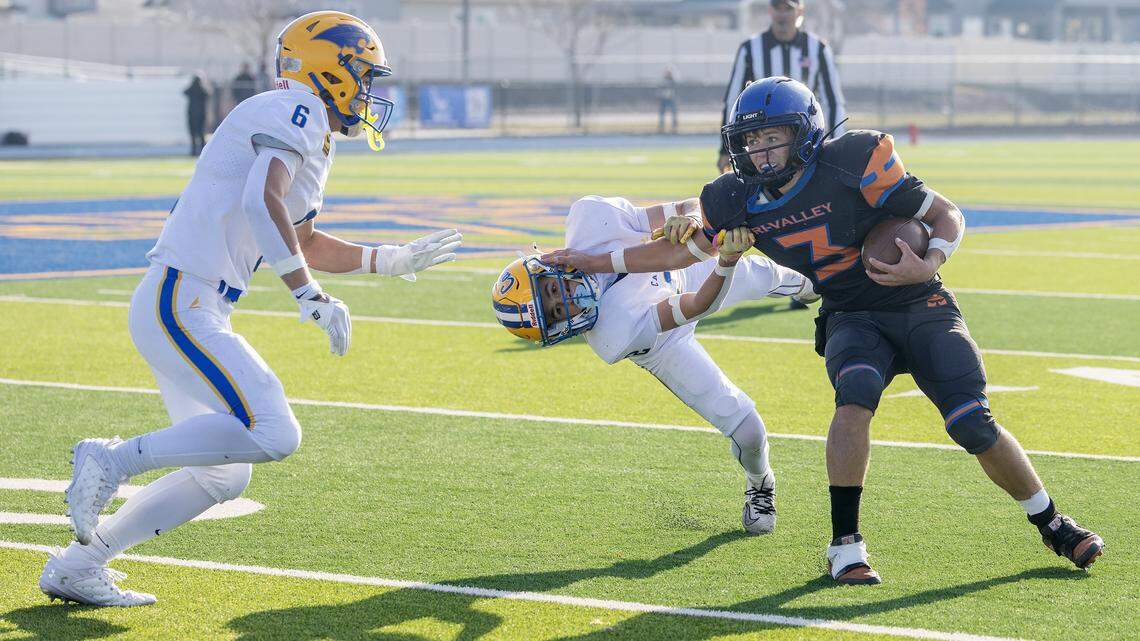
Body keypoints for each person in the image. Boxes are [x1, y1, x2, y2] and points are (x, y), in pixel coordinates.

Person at [541, 77, 1104, 585]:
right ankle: (845, 546)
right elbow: (671, 250)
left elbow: (947, 215)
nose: (759, 151)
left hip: (918, 300)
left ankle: (1051, 521)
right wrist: (594, 263)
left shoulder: (856, 159)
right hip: (849, 312)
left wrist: (930, 260)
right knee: (853, 398)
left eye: (772, 138)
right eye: (751, 140)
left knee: (972, 423)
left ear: (805, 134)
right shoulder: (733, 198)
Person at [39, 10, 462, 607]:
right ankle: (112, 459)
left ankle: (78, 565)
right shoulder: (297, 110)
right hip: (182, 301)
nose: (367, 93)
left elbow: (304, 239)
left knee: (224, 472)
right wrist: (308, 295)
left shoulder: (301, 124)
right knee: (273, 432)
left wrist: (387, 260)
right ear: (330, 70)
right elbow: (261, 202)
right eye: (362, 76)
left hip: (189, 302)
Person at [494, 196, 819, 535]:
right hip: (665, 340)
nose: (564, 299)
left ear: (544, 265)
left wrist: (691, 219)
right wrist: (726, 262)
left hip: (679, 268)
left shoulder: (590, 219)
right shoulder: (612, 333)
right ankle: (760, 481)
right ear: (561, 329)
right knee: (748, 430)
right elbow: (696, 305)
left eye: (549, 290)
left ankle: (814, 288)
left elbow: (690, 205)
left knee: (778, 275)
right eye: (557, 311)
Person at [718, 0, 846, 173]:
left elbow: (833, 101)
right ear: (770, 11)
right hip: (764, 138)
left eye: (788, 9)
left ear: (800, 11)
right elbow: (733, 99)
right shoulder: (750, 49)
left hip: (804, 139)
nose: (782, 15)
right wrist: (725, 149)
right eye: (778, 8)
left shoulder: (818, 49)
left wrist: (836, 145)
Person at [184, 73, 211, 156]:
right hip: (201, 115)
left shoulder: (191, 89)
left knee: (193, 134)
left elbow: (185, 92)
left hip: (191, 114)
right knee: (201, 133)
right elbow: (208, 94)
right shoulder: (202, 90)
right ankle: (203, 151)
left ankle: (193, 151)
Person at [658, 67, 678, 134]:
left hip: (671, 99)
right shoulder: (663, 81)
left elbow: (675, 89)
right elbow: (660, 89)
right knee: (662, 113)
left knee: (673, 113)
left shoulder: (673, 81)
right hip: (664, 99)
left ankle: (674, 127)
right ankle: (661, 127)